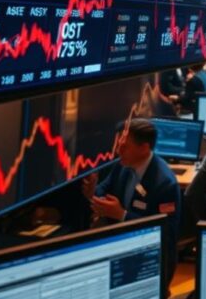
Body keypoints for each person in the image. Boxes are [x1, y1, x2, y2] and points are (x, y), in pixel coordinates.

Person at [83, 119, 180, 296]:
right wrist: (92, 192)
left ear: (144, 148)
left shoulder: (165, 183)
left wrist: (122, 215)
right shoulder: (122, 166)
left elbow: (165, 232)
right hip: (119, 253)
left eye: (124, 146)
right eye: (118, 144)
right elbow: (102, 191)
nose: (118, 151)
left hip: (149, 262)